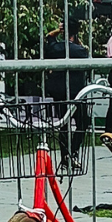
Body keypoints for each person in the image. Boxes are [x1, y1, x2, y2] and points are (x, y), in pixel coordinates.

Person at [44, 19, 91, 167]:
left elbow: (48, 37)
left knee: (63, 124)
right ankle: (73, 151)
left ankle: (65, 156)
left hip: (59, 92)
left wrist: (59, 31)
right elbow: (85, 57)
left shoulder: (54, 48)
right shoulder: (80, 51)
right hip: (76, 93)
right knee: (83, 122)